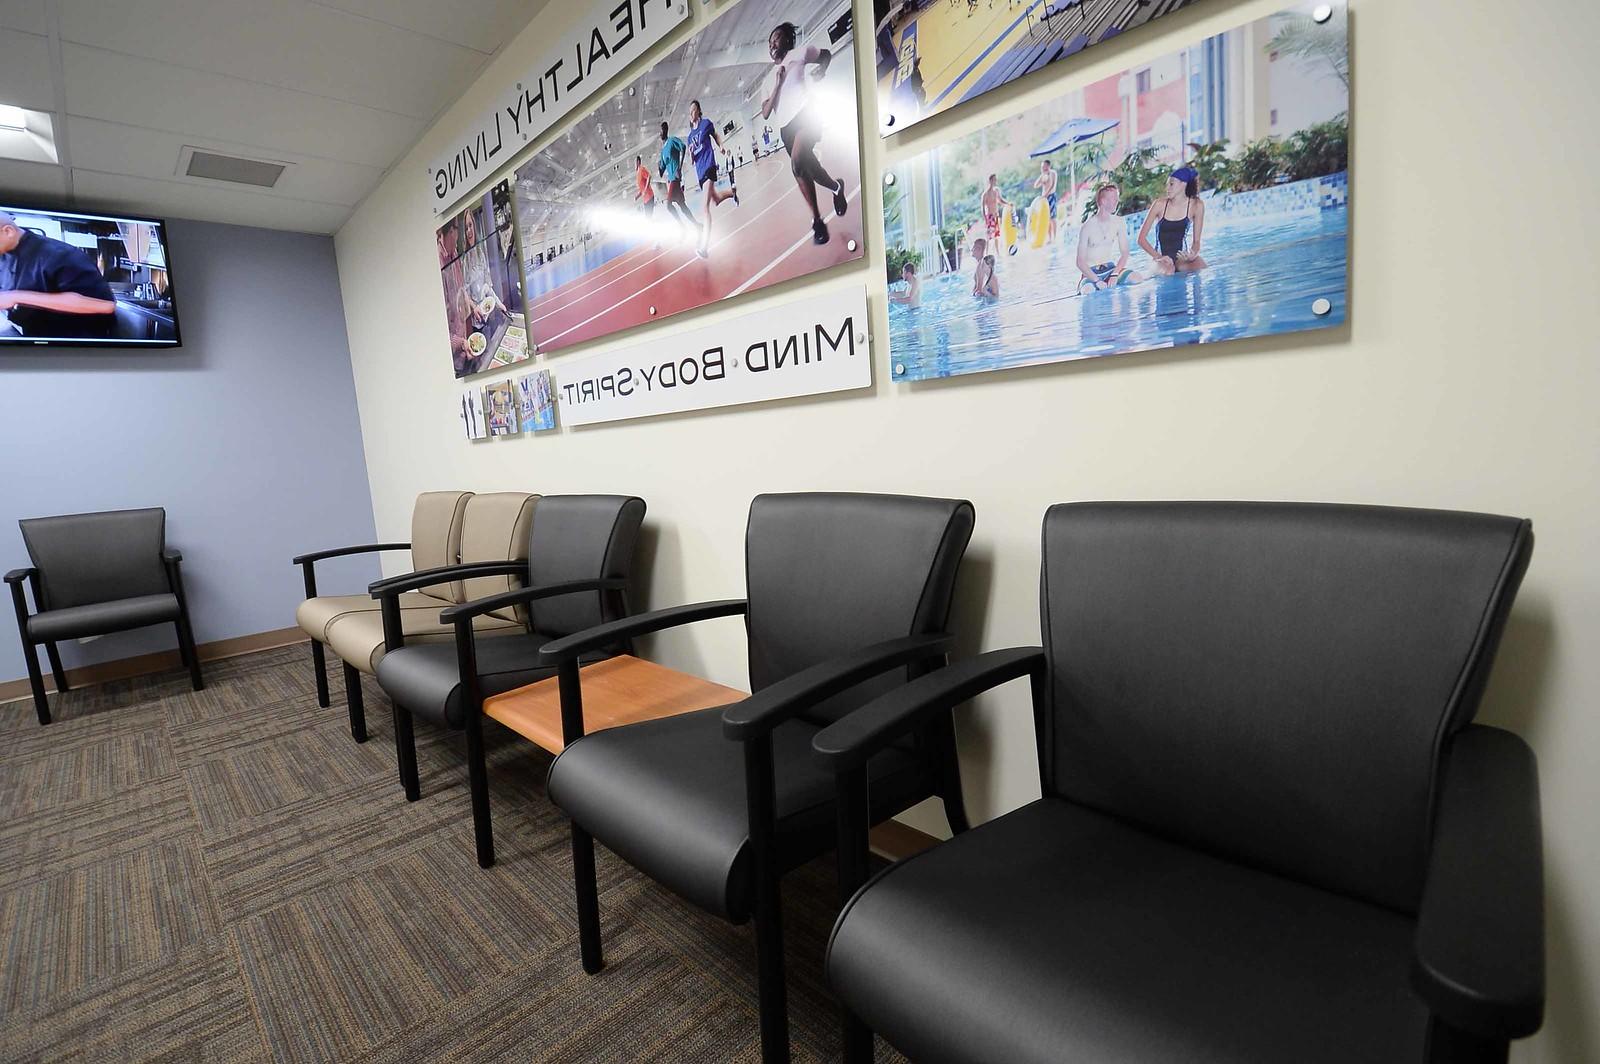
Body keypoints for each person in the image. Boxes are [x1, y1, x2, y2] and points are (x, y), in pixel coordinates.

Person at [760, 21, 849, 247]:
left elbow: (826, 55)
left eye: (776, 38)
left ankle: (817, 222)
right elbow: (766, 112)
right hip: (786, 129)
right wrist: (778, 84)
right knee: (808, 168)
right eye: (770, 41)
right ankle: (837, 188)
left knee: (797, 162)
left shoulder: (800, 53)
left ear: (788, 40)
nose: (772, 44)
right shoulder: (767, 80)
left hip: (807, 115)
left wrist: (823, 69)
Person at [0, 210, 116, 340]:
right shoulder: (4, 256)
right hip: (32, 338)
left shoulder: (61, 255)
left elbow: (105, 305)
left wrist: (16, 296)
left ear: (8, 231)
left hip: (74, 346)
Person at [685, 101, 739, 258]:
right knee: (715, 199)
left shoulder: (706, 124)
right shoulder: (689, 137)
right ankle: (732, 193)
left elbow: (715, 135)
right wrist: (691, 154)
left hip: (709, 166)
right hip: (700, 172)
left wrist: (721, 146)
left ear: (699, 111)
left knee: (704, 207)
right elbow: (692, 160)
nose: (691, 114)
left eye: (693, 110)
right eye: (689, 112)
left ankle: (704, 246)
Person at [1138, 165, 1207, 274]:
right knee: (1169, 271)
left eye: (1171, 184)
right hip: (1160, 259)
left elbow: (1197, 241)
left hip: (1181, 259)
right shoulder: (1159, 204)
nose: (1167, 189)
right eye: (1167, 185)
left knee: (1201, 265)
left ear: (1183, 184)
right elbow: (1141, 239)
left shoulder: (1197, 205)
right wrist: (1159, 257)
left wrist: (1192, 254)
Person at [1076, 182, 1141, 293]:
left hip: (1111, 269)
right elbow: (1080, 261)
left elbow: (1125, 253)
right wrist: (1097, 281)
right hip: (1091, 273)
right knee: (1088, 290)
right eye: (1114, 198)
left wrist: (1115, 274)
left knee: (1137, 278)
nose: (1117, 201)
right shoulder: (1087, 227)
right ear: (1103, 201)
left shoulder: (1119, 222)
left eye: (1117, 197)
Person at [657, 121, 696, 235]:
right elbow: (661, 172)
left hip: (676, 177)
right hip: (671, 179)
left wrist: (679, 166)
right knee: (682, 206)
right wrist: (659, 166)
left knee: (668, 205)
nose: (660, 133)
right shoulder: (662, 152)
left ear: (665, 131)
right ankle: (697, 225)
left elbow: (683, 147)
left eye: (661, 130)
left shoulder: (672, 140)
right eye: (660, 131)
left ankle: (683, 228)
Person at [980, 174, 1011, 247]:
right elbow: (983, 207)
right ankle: (986, 253)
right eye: (994, 180)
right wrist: (985, 219)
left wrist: (1008, 203)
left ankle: (997, 252)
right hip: (990, 217)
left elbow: (1000, 200)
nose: (995, 181)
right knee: (989, 236)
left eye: (996, 180)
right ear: (990, 181)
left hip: (996, 215)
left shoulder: (996, 191)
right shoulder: (985, 194)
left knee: (996, 235)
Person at [1034, 160, 1059, 243]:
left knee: (1053, 217)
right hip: (1044, 199)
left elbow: (1052, 185)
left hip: (1051, 196)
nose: (1043, 168)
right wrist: (1042, 178)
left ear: (1048, 166)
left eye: (1044, 166)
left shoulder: (1053, 173)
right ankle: (1050, 237)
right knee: (1047, 218)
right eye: (1042, 167)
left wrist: (1046, 194)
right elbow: (1035, 185)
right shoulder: (1043, 175)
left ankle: (1055, 237)